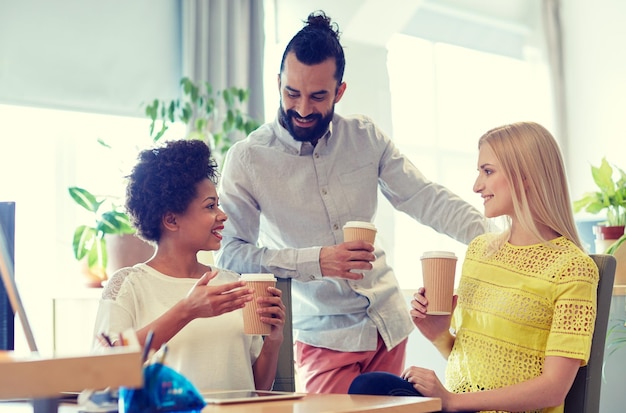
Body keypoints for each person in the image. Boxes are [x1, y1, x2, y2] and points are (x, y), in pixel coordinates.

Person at [215, 10, 486, 394]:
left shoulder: (365, 138)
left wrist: (494, 237)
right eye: (292, 93)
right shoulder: (248, 159)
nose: (303, 108)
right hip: (322, 335)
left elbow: (425, 198)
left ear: (340, 91)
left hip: (387, 325)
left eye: (318, 96)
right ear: (278, 83)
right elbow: (230, 254)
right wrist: (317, 259)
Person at [348, 121, 600, 413]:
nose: (477, 185)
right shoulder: (481, 250)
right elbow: (472, 360)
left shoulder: (572, 268)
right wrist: (438, 334)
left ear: (526, 176)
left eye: (488, 171)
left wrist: (452, 401)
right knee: (367, 387)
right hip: (462, 408)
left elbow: (554, 388)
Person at [92, 139, 286, 391]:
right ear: (171, 219)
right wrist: (187, 310)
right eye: (210, 206)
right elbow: (102, 371)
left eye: (218, 204)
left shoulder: (232, 283)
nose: (222, 215)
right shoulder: (129, 285)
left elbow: (258, 387)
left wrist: (273, 340)